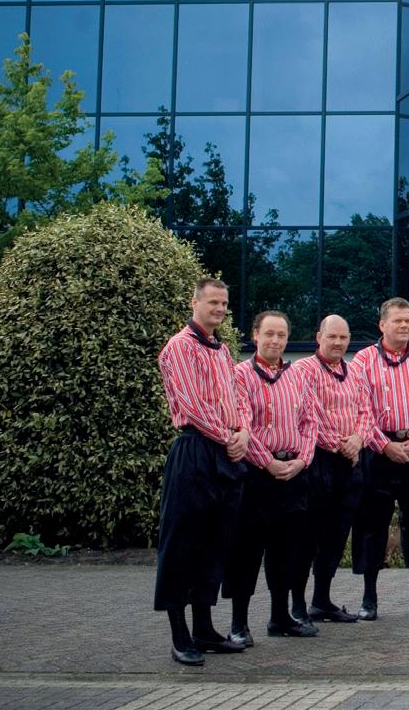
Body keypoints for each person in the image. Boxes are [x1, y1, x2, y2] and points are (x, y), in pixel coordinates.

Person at [153, 277, 250, 666]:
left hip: (226, 453)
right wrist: (228, 437)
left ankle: (204, 629)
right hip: (195, 451)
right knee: (183, 544)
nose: (220, 309)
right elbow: (193, 406)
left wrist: (243, 433)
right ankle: (180, 636)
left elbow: (237, 398)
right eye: (213, 302)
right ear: (194, 303)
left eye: (224, 303)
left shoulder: (222, 351)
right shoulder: (179, 347)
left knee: (215, 543)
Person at [223, 310, 319, 644]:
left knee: (287, 552)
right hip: (256, 477)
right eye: (269, 334)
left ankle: (280, 617)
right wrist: (268, 463)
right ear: (255, 335)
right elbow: (241, 424)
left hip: (293, 475)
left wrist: (302, 460)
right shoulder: (239, 375)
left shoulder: (297, 376)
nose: (275, 341)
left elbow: (310, 422)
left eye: (281, 335)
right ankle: (239, 623)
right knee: (246, 552)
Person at [351, 297, 409, 620]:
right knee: (372, 526)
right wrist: (384, 445)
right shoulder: (363, 360)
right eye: (398, 320)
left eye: (408, 320)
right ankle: (369, 598)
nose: (405, 325)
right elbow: (360, 409)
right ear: (383, 325)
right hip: (378, 455)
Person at [298, 314, 369, 625]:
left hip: (349, 464)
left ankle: (322, 600)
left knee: (336, 535)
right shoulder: (303, 370)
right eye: (332, 337)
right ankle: (297, 606)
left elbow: (366, 412)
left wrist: (358, 440)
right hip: (318, 461)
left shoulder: (354, 373)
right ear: (319, 337)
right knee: (308, 536)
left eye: (343, 337)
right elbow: (308, 415)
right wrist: (340, 444)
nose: (338, 343)